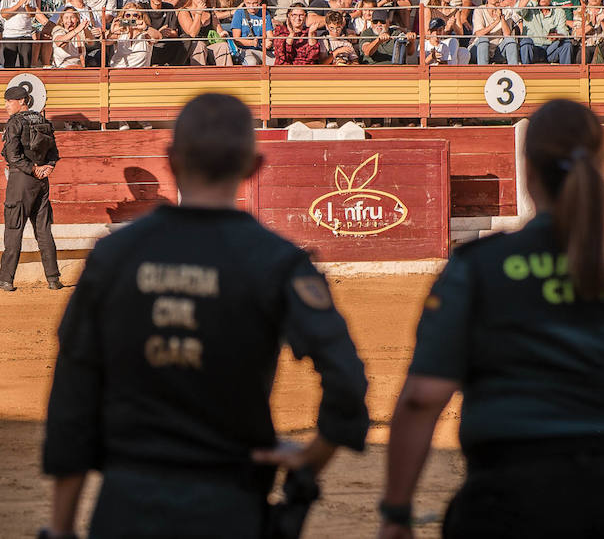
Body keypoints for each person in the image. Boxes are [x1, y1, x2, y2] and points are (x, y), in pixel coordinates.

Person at [379, 98, 604, 539]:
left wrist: (396, 512)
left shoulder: (479, 267)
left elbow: (423, 397)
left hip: (510, 500)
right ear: (602, 162)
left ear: (527, 171)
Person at [40, 93, 368, 538]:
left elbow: (73, 395)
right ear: (253, 167)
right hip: (229, 503)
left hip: (128, 505)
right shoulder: (277, 261)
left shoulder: (113, 257)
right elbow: (345, 379)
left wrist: (61, 529)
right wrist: (314, 458)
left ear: (172, 162)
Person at [0, 84, 61, 292]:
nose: (6, 106)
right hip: (42, 182)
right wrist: (48, 167)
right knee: (44, 230)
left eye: (9, 101)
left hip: (21, 180)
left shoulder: (15, 123)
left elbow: (13, 156)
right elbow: (54, 152)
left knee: (13, 228)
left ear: (22, 101)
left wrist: (33, 169)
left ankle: (6, 279)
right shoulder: (44, 121)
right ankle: (53, 278)